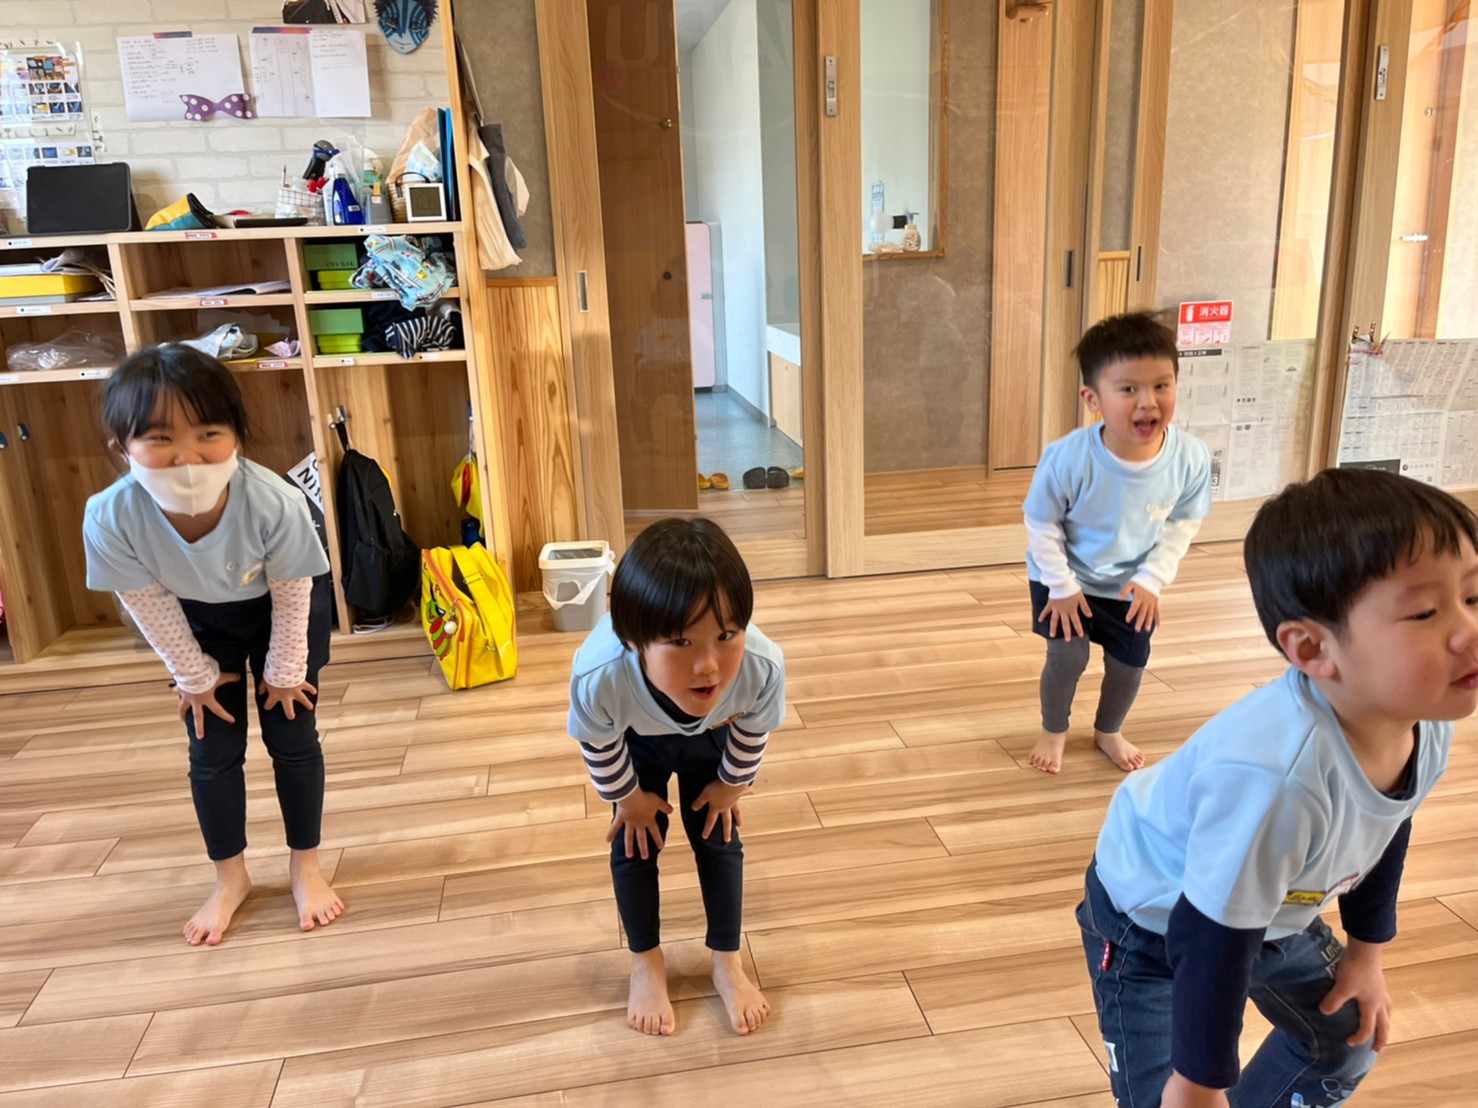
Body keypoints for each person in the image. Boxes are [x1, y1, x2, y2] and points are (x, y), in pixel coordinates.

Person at [1077, 467, 1478, 1105]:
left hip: (1268, 911)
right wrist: (1199, 1083)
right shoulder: (1275, 780)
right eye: (1425, 612)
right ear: (1312, 650)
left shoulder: (1423, 722)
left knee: (1349, 1040)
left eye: (1474, 596)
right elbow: (1211, 936)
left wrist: (1366, 954)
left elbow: (1384, 824)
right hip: (1151, 922)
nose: (1467, 629)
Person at [83, 345, 342, 946]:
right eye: (159, 438)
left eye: (208, 434)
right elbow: (147, 604)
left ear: (237, 437)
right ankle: (231, 878)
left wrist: (284, 670)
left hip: (282, 609)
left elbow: (294, 594)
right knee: (211, 748)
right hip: (195, 619)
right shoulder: (110, 516)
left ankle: (305, 866)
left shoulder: (275, 501)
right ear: (122, 448)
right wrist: (194, 678)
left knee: (293, 737)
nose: (187, 457)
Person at [567, 517, 785, 1037]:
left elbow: (753, 728)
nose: (708, 665)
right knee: (634, 842)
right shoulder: (600, 675)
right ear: (634, 640)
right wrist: (628, 799)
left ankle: (727, 960)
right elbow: (598, 741)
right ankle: (646, 961)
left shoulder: (759, 667)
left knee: (719, 834)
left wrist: (730, 785)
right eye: (682, 642)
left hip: (712, 734)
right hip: (634, 741)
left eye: (726, 635)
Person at [1023, 312, 1213, 773]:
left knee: (1129, 665)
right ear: (1093, 399)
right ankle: (1053, 729)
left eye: (1162, 386)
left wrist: (1152, 578)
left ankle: (1108, 730)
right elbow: (1041, 523)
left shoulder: (1190, 457)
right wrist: (1061, 587)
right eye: (1128, 389)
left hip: (1132, 586)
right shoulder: (1067, 457)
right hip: (1064, 578)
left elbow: (1183, 522)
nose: (1148, 402)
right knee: (1068, 658)